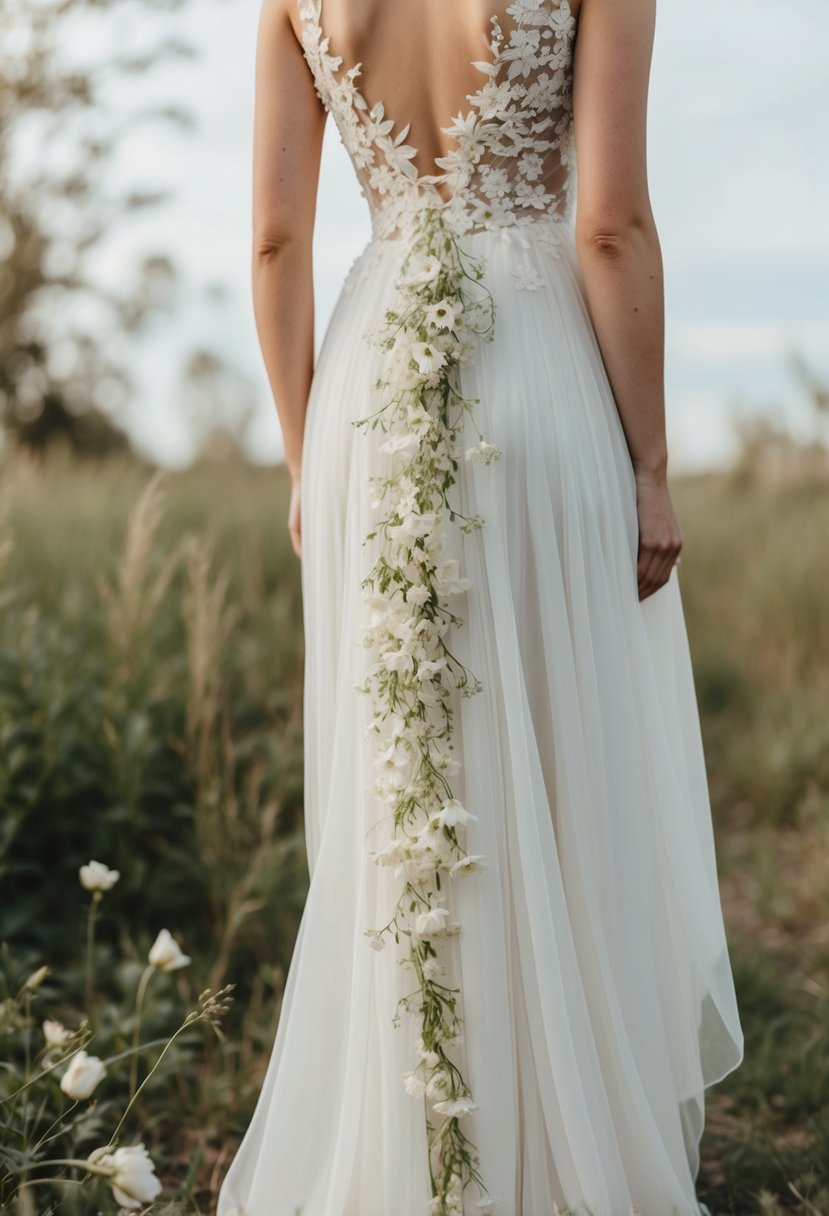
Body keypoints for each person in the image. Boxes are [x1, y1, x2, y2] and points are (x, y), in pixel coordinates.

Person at [217, 0, 744, 1212]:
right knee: (560, 761)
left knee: (403, 768)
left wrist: (306, 460)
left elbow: (273, 242)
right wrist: (650, 463)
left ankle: (413, 1153)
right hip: (537, 374)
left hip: (363, 396)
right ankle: (558, 1151)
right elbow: (607, 225)